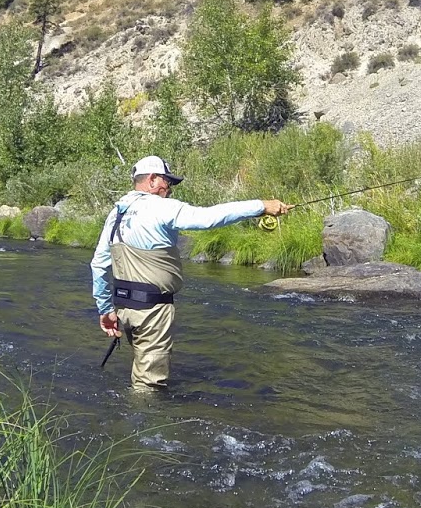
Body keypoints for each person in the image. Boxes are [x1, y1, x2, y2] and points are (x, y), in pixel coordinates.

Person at [91, 155, 291, 391]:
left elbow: (99, 265)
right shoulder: (161, 207)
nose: (170, 189)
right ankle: (145, 424)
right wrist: (261, 206)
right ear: (153, 180)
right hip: (152, 311)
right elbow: (208, 218)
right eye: (168, 183)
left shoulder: (117, 213)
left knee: (141, 371)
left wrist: (106, 310)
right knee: (149, 386)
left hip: (124, 307)